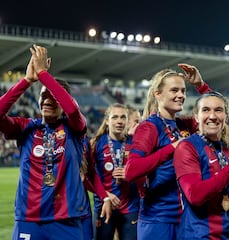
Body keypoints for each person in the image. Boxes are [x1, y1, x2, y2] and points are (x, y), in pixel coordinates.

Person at [0, 44, 91, 240]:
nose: (47, 101)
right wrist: (26, 81)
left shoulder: (74, 127)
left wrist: (43, 74)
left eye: (53, 97)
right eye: (43, 96)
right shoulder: (26, 127)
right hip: (29, 219)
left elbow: (73, 111)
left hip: (66, 219)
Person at [125, 63, 211, 240]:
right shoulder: (149, 127)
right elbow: (131, 170)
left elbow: (216, 115)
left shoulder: (184, 125)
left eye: (183, 91)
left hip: (186, 217)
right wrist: (172, 148)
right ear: (158, 94)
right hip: (159, 220)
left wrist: (201, 86)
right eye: (174, 90)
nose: (181, 95)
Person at [173, 91, 229, 239]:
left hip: (226, 235)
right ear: (196, 116)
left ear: (226, 116)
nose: (212, 116)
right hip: (197, 236)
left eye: (218, 110)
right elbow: (195, 195)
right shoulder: (188, 147)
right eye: (206, 110)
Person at [90, 103, 140, 240]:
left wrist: (131, 173)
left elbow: (145, 172)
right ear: (107, 121)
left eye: (123, 117)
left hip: (130, 208)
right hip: (104, 206)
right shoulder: (96, 144)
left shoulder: (136, 143)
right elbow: (89, 176)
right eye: (115, 117)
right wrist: (105, 194)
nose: (119, 121)